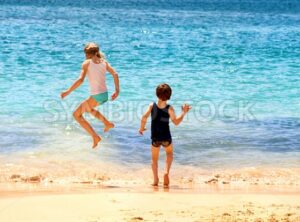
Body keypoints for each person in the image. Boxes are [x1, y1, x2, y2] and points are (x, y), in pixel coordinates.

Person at [61, 42, 119, 149]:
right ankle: (107, 123)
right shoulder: (104, 62)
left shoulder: (86, 63)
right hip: (104, 95)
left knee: (76, 115)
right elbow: (115, 74)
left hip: (96, 95)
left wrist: (67, 91)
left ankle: (95, 136)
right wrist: (117, 91)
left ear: (87, 54)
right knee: (89, 109)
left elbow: (80, 80)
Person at [139, 83, 191, 187]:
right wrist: (184, 113)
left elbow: (144, 117)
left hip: (155, 138)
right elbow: (176, 122)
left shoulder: (151, 106)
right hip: (166, 137)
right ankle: (166, 172)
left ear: (156, 94)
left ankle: (155, 180)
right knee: (169, 154)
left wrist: (141, 128)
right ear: (169, 96)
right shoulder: (169, 108)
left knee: (154, 159)